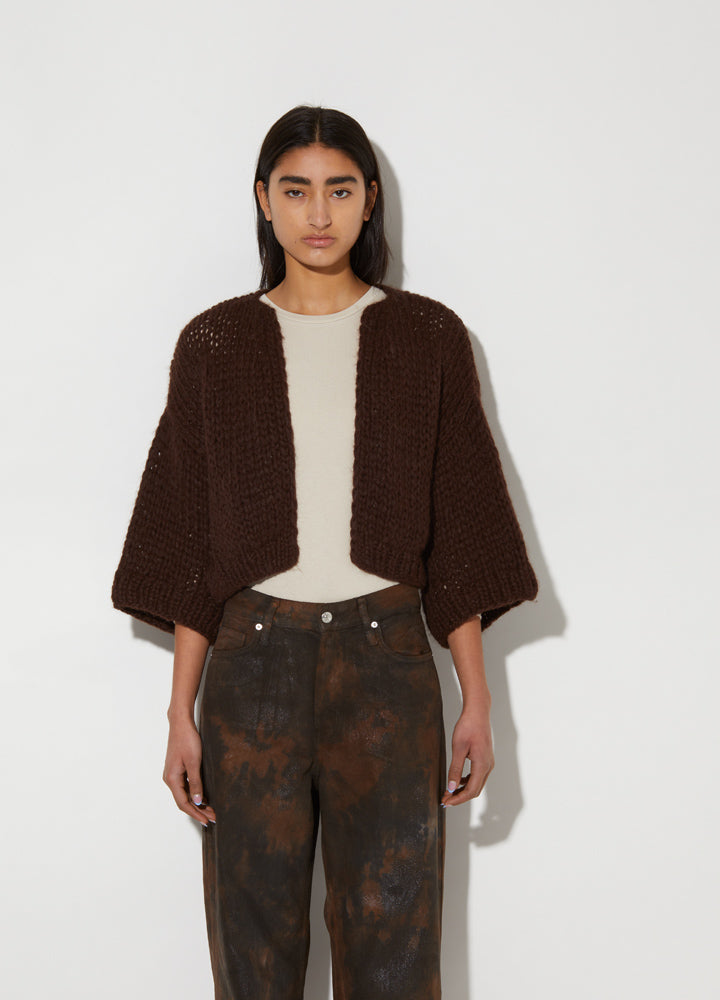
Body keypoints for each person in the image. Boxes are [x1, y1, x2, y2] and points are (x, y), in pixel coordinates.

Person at [112, 105, 537, 1000]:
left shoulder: (427, 338)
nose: (318, 213)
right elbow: (190, 548)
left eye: (339, 190)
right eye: (296, 190)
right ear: (263, 199)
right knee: (252, 951)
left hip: (388, 670)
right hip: (250, 672)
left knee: (395, 951)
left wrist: (478, 701)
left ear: (369, 200)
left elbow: (460, 532)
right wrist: (180, 712)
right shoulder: (213, 345)